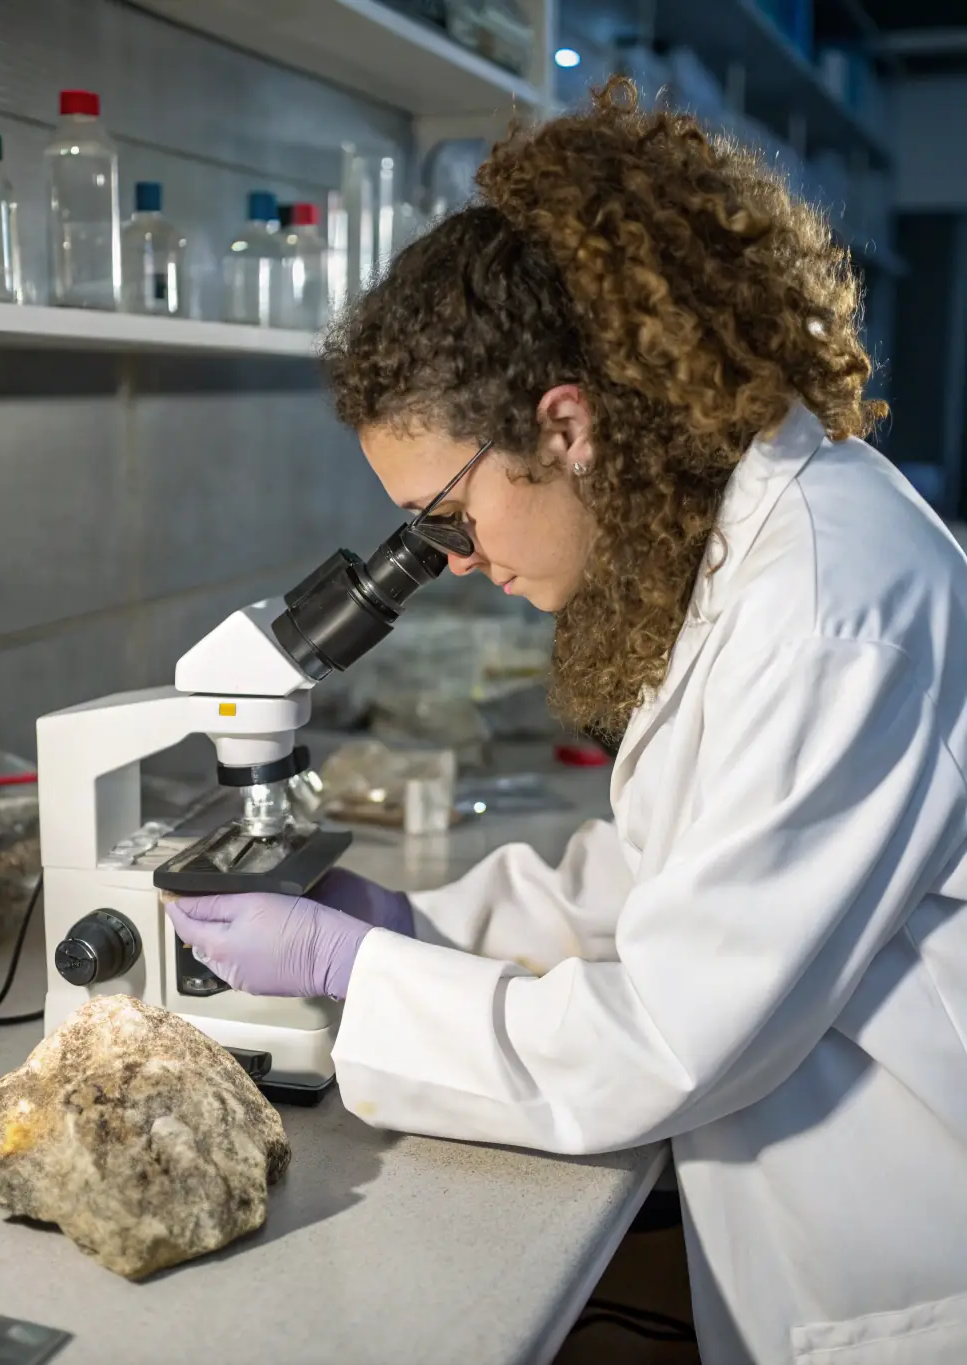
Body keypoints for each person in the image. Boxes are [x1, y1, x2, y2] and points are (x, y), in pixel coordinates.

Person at [164, 81, 967, 1364]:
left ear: (566, 424)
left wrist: (357, 972)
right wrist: (416, 924)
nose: (452, 559)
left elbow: (666, 1040)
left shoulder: (824, 607)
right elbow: (675, 875)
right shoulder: (751, 541)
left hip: (909, 1252)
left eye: (446, 515)